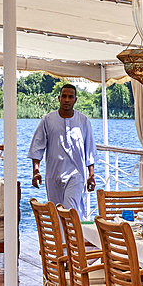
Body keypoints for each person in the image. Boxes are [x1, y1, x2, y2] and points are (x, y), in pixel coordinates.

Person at [28, 83, 98, 216]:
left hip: (76, 175)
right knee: (56, 213)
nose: (67, 100)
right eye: (64, 96)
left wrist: (91, 175)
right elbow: (37, 147)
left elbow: (90, 149)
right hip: (53, 175)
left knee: (70, 210)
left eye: (70, 97)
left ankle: (72, 237)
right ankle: (62, 237)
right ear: (59, 98)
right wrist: (35, 171)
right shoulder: (48, 120)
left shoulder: (83, 121)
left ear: (75, 100)